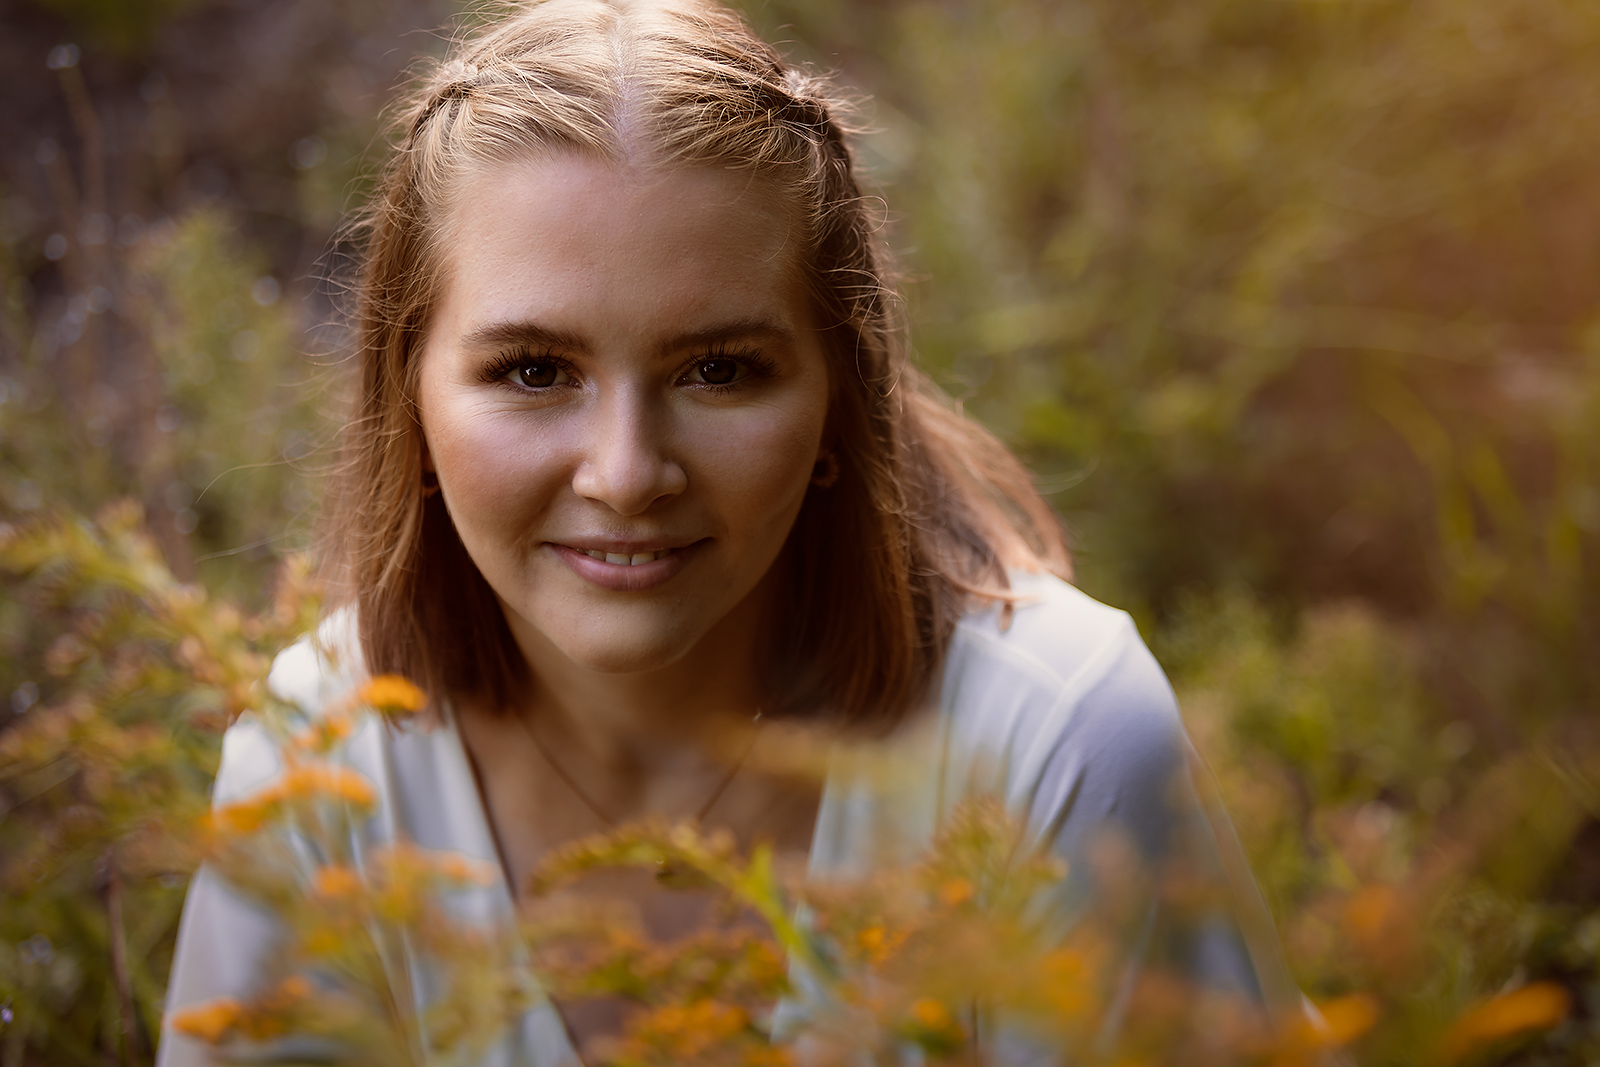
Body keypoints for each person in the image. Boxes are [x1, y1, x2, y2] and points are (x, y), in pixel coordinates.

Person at [159, 1, 1300, 1063]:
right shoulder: (317, 765)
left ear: (837, 396)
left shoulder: (1052, 740)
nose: (625, 473)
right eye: (534, 370)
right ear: (406, 395)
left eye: (718, 370)